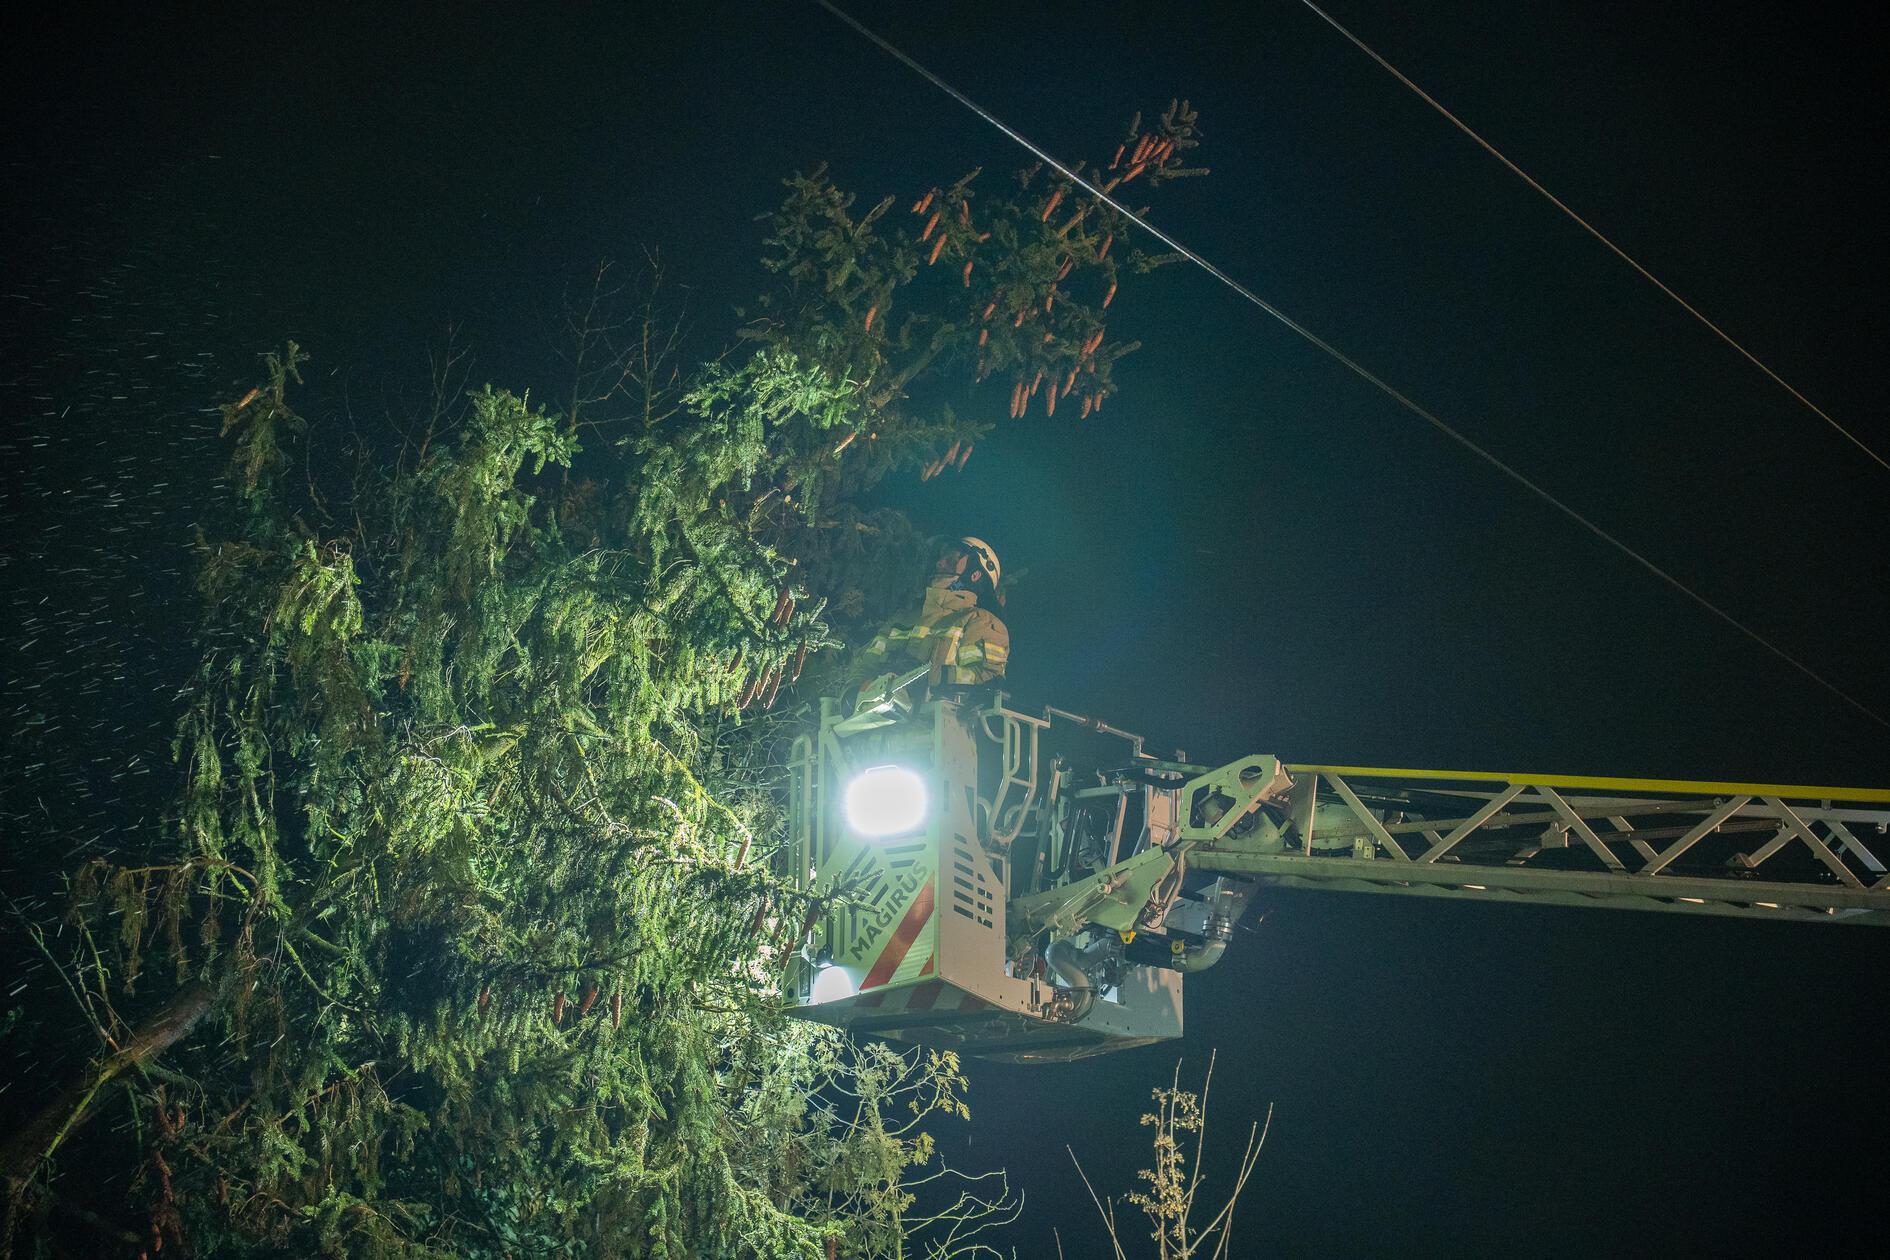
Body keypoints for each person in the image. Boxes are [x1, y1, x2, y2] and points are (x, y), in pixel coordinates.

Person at [851, 537, 1009, 710]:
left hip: (943, 728)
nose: (940, 563)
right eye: (942, 558)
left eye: (951, 560)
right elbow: (864, 665)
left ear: (975, 574)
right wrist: (851, 694)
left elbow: (988, 680)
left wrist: (925, 678)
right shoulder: (903, 618)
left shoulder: (981, 622)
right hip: (880, 725)